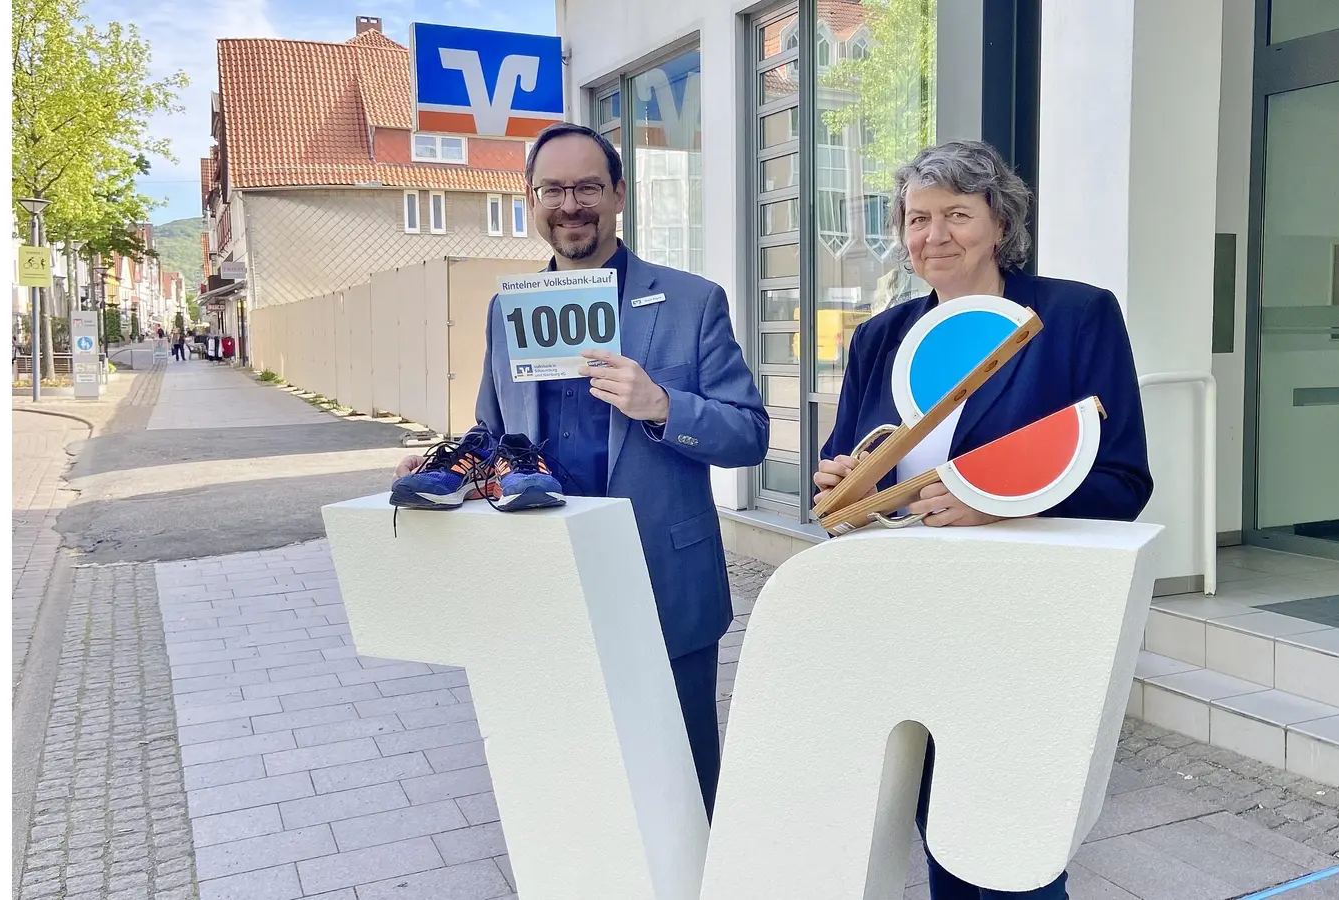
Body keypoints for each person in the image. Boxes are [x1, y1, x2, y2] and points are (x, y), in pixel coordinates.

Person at [392, 122, 769, 816]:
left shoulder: (691, 302)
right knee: (577, 790)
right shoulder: (510, 311)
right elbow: (495, 434)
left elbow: (749, 436)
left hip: (663, 583)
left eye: (588, 186)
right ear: (530, 200)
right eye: (554, 189)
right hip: (547, 585)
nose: (571, 204)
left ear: (619, 195)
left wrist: (662, 404)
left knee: (680, 787)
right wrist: (455, 466)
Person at [813, 140, 1153, 899]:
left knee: (1005, 841)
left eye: (958, 215)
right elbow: (851, 466)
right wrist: (841, 484)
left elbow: (1124, 480)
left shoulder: (1075, 317)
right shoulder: (880, 337)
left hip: (1018, 625)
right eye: (917, 217)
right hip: (905, 619)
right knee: (927, 817)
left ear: (1001, 224)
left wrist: (996, 502)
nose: (934, 235)